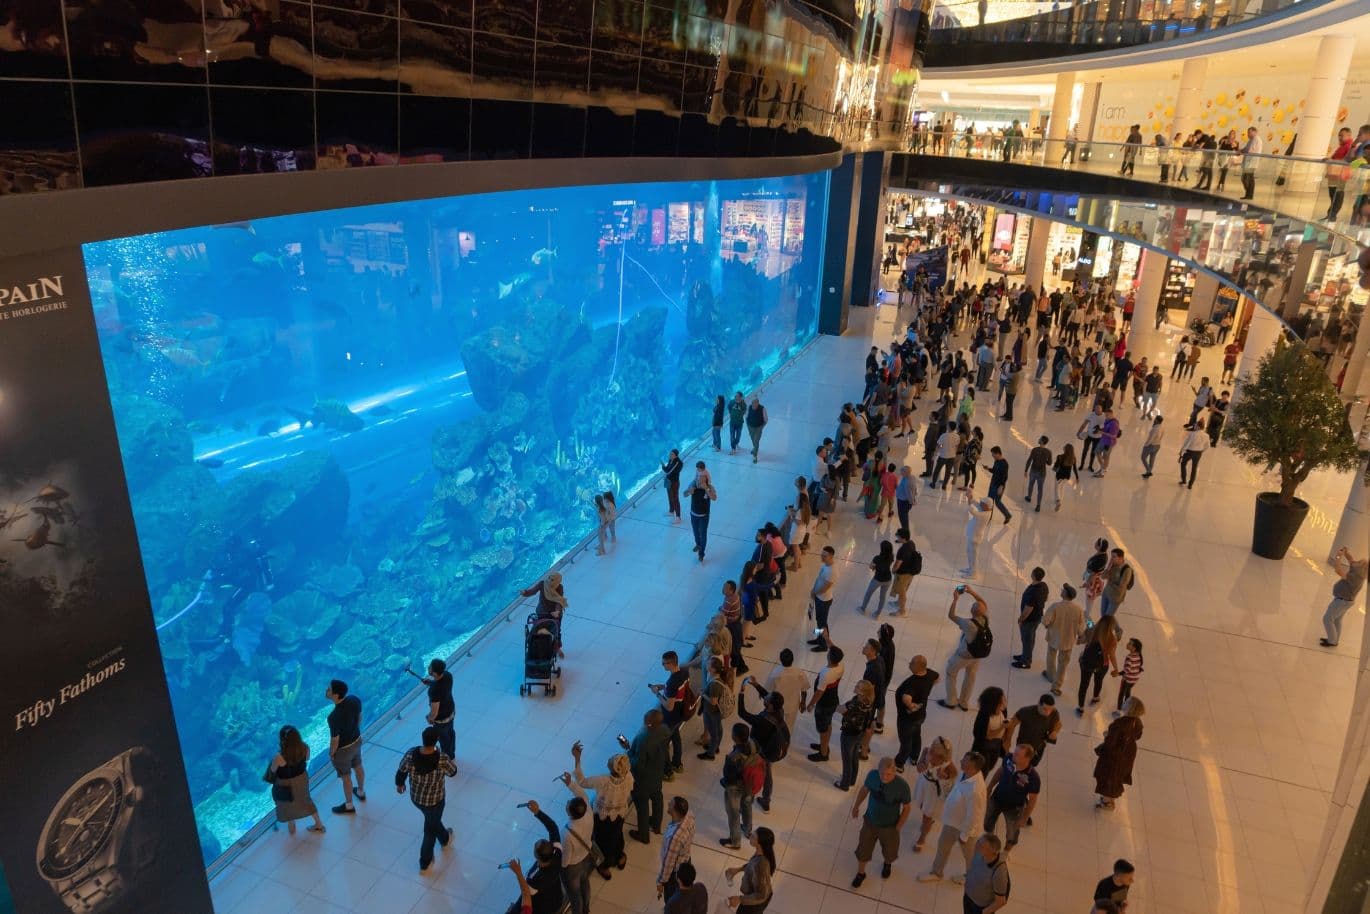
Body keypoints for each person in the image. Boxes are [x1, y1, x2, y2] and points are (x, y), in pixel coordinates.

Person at [917, 751, 987, 883]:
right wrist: (944, 779)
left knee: (969, 856)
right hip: (952, 822)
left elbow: (974, 817)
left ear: (972, 766)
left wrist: (964, 836)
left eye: (964, 760)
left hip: (966, 830)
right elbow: (954, 790)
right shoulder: (965, 774)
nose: (960, 761)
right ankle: (937, 873)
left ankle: (970, 877)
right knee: (943, 846)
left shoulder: (976, 790)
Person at [393, 725, 457, 871]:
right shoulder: (441, 759)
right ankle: (425, 862)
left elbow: (401, 771)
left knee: (432, 820)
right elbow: (453, 772)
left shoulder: (411, 754)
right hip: (436, 800)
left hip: (417, 798)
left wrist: (399, 784)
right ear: (437, 741)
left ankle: (445, 838)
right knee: (429, 830)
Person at [569, 741, 633, 880]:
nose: (610, 759)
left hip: (602, 817)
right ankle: (619, 855)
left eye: (612, 759)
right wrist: (626, 749)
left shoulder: (603, 780)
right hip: (620, 813)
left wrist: (577, 759)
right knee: (617, 833)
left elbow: (582, 781)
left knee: (602, 840)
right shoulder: (628, 776)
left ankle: (605, 864)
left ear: (613, 767)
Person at [850, 757, 912, 888]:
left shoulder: (902, 786)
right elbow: (864, 790)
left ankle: (887, 864)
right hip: (870, 822)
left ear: (894, 772)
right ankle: (861, 873)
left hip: (890, 826)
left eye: (888, 774)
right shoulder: (872, 776)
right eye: (882, 773)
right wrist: (856, 806)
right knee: (863, 849)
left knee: (890, 851)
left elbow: (907, 808)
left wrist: (898, 826)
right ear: (878, 770)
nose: (884, 777)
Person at [738, 677, 789, 812]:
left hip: (764, 751)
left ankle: (748, 799)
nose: (764, 697)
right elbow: (767, 695)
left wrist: (741, 692)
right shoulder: (779, 710)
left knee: (755, 773)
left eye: (767, 699)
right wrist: (756, 685)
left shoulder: (763, 721)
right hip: (774, 747)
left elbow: (742, 713)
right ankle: (766, 800)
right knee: (767, 771)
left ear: (770, 705)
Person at [264, 724, 324, 836]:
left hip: (285, 784)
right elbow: (307, 758)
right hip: (301, 779)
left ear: (283, 740)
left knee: (286, 804)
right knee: (306, 800)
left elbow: (272, 770)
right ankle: (319, 824)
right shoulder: (305, 747)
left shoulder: (279, 757)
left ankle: (292, 827)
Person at [939, 585, 991, 711]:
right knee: (970, 677)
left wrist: (955, 599)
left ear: (972, 611)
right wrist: (971, 592)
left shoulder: (968, 624)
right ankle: (964, 703)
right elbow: (982, 602)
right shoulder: (986, 618)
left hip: (964, 655)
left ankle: (951, 701)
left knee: (951, 673)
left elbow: (951, 615)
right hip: (977, 655)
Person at [509, 800, 566, 914]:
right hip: (556, 898)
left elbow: (525, 893)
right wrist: (538, 812)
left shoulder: (536, 879)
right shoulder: (557, 853)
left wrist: (518, 873)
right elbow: (553, 827)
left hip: (543, 908)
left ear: (537, 856)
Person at [983, 743, 1039, 853]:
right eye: (1015, 752)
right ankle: (990, 843)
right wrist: (989, 788)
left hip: (1014, 808)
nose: (1013, 755)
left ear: (1027, 758)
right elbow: (1001, 771)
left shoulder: (1033, 777)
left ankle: (1006, 852)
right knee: (987, 822)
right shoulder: (1009, 758)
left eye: (1017, 755)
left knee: (1012, 834)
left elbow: (1032, 801)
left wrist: (1024, 817)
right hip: (997, 798)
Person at [625, 709, 670, 844]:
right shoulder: (665, 730)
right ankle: (656, 824)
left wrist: (629, 751)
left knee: (642, 804)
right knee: (657, 797)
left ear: (649, 723)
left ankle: (643, 834)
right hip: (658, 773)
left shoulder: (643, 739)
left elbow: (637, 764)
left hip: (643, 779)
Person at [1094, 698, 1145, 809]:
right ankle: (1110, 800)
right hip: (1128, 753)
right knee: (1117, 777)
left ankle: (1106, 802)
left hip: (1115, 755)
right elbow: (1138, 736)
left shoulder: (1119, 723)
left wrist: (1106, 735)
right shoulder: (1137, 722)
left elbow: (1110, 743)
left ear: (1130, 708)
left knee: (1107, 776)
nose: (1124, 702)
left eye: (1127, 702)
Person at [325, 679, 366, 815]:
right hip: (356, 741)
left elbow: (335, 739)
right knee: (358, 766)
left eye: (329, 689)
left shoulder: (333, 717)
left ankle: (349, 806)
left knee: (346, 777)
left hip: (343, 751)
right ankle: (361, 792)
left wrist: (332, 753)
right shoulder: (354, 700)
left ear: (336, 695)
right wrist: (354, 731)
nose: (326, 691)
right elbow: (359, 717)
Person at [911, 735, 957, 852]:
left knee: (927, 816)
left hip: (933, 793)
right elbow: (919, 768)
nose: (931, 751)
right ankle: (927, 822)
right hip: (923, 785)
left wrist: (945, 776)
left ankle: (922, 838)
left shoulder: (947, 764)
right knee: (923, 808)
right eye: (932, 747)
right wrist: (923, 765)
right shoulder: (926, 751)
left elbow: (954, 775)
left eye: (935, 751)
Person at [893, 655, 938, 771]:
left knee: (906, 742)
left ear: (918, 667)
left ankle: (899, 763)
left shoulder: (912, 683)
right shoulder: (929, 674)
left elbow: (906, 698)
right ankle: (914, 757)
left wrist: (911, 706)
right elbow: (937, 677)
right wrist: (927, 690)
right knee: (916, 735)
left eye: (912, 663)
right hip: (920, 715)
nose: (909, 664)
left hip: (907, 719)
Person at [720, 722, 760, 848]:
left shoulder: (732, 758)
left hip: (735, 788)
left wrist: (724, 782)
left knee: (734, 814)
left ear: (735, 737)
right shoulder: (754, 745)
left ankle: (735, 841)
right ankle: (747, 830)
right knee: (747, 806)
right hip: (750, 785)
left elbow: (728, 778)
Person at [651, 651, 692, 776]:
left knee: (663, 745)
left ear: (670, 663)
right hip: (680, 714)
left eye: (664, 663)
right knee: (676, 738)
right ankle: (677, 764)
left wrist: (657, 694)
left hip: (670, 718)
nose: (662, 665)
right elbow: (678, 690)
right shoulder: (684, 672)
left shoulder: (672, 682)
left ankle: (668, 772)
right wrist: (663, 687)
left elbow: (669, 706)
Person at [1041, 583, 1086, 696]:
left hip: (1054, 638)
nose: (1061, 590)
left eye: (1063, 590)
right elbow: (1081, 627)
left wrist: (1047, 625)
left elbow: (1045, 620)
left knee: (1051, 657)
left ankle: (1050, 675)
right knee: (1063, 664)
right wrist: (1080, 636)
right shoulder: (1078, 609)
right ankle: (1056, 686)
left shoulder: (1055, 606)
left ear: (1065, 594)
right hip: (1068, 640)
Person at [1320, 547, 1368, 647]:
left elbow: (1338, 569)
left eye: (1359, 562)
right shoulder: (1359, 572)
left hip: (1342, 601)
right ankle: (1334, 640)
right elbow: (1351, 560)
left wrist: (1338, 556)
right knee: (1337, 619)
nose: (1356, 561)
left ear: (1360, 568)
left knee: (1327, 619)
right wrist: (1346, 552)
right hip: (1346, 601)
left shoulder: (1355, 577)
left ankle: (1332, 641)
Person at [834, 678, 876, 790]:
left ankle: (844, 784)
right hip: (859, 733)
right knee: (854, 756)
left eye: (858, 686)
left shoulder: (855, 704)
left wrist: (834, 705)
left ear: (862, 692)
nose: (855, 686)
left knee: (847, 758)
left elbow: (840, 709)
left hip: (849, 734)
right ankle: (852, 779)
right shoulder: (868, 702)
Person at [806, 645, 845, 761]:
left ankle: (823, 754)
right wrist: (827, 640)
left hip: (824, 705)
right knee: (827, 724)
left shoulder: (826, 674)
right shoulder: (841, 666)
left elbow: (819, 692)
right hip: (833, 700)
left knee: (822, 730)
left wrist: (811, 704)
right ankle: (824, 746)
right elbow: (834, 649)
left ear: (829, 657)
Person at [1076, 614, 1121, 714]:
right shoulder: (1112, 639)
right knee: (1098, 681)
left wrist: (1087, 618)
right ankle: (1095, 697)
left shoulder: (1091, 629)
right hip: (1102, 664)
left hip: (1087, 662)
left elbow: (1081, 639)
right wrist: (1116, 668)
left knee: (1083, 685)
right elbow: (1112, 655)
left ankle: (1081, 707)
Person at [724, 828, 776, 912]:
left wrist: (740, 899)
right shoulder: (761, 853)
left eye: (753, 836)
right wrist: (738, 870)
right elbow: (752, 866)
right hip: (754, 897)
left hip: (755, 902)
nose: (750, 836)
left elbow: (761, 895)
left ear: (759, 843)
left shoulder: (761, 864)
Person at [1004, 693, 1062, 768]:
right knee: (1017, 764)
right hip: (1023, 746)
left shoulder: (1054, 712)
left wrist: (1055, 732)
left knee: (1032, 764)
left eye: (1050, 710)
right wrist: (1008, 740)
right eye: (1045, 709)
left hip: (1038, 747)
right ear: (1038, 704)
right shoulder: (1026, 711)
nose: (1048, 713)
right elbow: (1012, 724)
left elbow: (1058, 724)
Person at [656, 797, 695, 904]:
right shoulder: (689, 816)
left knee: (671, 899)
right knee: (683, 893)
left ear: (676, 812)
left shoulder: (675, 838)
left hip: (675, 873)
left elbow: (668, 864)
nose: (668, 803)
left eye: (671, 804)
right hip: (686, 859)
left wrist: (660, 882)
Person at [1012, 567, 1049, 669]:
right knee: (1030, 639)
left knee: (1027, 640)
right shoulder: (1044, 585)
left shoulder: (1033, 592)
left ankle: (1025, 662)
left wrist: (1021, 619)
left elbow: (1028, 608)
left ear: (1033, 575)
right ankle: (1025, 655)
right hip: (1037, 617)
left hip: (1029, 620)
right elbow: (1045, 598)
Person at [962, 834, 1010, 913]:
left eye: (981, 845)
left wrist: (984, 912)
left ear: (992, 852)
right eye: (978, 841)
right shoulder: (978, 853)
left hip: (980, 907)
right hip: (968, 898)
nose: (977, 845)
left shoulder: (999, 872)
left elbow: (1001, 901)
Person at [764, 648, 808, 733]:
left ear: (781, 660)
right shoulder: (800, 673)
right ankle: (786, 739)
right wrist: (803, 703)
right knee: (789, 726)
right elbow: (804, 690)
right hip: (793, 705)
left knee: (775, 725)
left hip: (777, 706)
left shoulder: (775, 673)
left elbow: (768, 690)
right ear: (793, 659)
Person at [419, 658, 455, 760]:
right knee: (450, 733)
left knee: (444, 739)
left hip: (442, 719)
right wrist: (431, 683)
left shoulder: (434, 691)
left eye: (430, 667)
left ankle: (447, 759)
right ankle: (452, 753)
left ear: (434, 673)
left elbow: (434, 711)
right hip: (451, 710)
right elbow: (441, 684)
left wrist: (429, 718)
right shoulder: (448, 675)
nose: (428, 668)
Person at [683, 462, 717, 562]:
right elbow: (684, 494)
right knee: (696, 532)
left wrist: (706, 488)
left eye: (702, 479)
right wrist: (689, 491)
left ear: (706, 479)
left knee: (703, 533)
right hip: (694, 514)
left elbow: (714, 498)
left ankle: (701, 553)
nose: (699, 480)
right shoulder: (693, 484)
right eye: (698, 478)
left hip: (704, 516)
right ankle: (698, 544)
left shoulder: (710, 487)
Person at [808, 546, 838, 652]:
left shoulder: (832, 571)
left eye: (824, 556)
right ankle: (819, 639)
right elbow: (819, 578)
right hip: (819, 598)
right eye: (822, 555)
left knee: (823, 624)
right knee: (819, 621)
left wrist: (814, 593)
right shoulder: (825, 565)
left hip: (824, 600)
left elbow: (825, 588)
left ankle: (824, 645)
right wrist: (813, 590)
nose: (822, 557)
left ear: (831, 556)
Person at [857, 540, 895, 617]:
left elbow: (871, 567)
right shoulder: (891, 556)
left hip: (877, 579)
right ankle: (877, 614)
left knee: (868, 594)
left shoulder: (877, 558)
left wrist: (875, 567)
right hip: (888, 579)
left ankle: (862, 608)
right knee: (882, 597)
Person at [889, 528, 920, 616]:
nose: (896, 537)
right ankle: (898, 603)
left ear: (903, 538)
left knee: (902, 593)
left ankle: (902, 611)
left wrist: (893, 570)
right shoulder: (911, 543)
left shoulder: (902, 550)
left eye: (898, 536)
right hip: (910, 572)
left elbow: (897, 564)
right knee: (903, 589)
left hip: (903, 574)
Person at [961, 497, 993, 577]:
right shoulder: (985, 509)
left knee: (973, 556)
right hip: (972, 536)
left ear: (986, 506)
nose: (980, 504)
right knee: (969, 553)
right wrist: (971, 497)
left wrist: (969, 502)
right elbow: (977, 504)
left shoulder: (985, 515)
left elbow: (972, 511)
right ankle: (970, 568)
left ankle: (973, 573)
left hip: (975, 538)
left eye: (982, 503)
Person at [1113, 639, 1144, 716]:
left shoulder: (1129, 657)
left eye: (1130, 644)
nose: (1127, 644)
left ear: (1134, 648)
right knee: (1127, 692)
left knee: (1121, 694)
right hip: (1134, 679)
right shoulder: (1138, 655)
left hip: (1127, 679)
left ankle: (1119, 711)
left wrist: (1118, 674)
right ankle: (1128, 708)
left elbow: (1127, 670)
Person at [1100, 548, 1134, 617]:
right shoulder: (1112, 566)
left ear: (1121, 558)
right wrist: (1108, 568)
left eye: (1114, 556)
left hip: (1115, 598)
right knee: (1103, 616)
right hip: (1106, 594)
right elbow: (1103, 577)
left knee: (1107, 618)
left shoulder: (1127, 570)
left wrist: (1110, 581)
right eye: (1111, 556)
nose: (1111, 559)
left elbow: (1121, 586)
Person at [983, 446, 1011, 524]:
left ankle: (1007, 515)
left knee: (997, 502)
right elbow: (995, 471)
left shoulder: (1004, 464)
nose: (992, 456)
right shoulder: (996, 461)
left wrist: (1001, 486)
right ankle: (988, 517)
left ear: (998, 453)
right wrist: (988, 468)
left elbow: (1005, 477)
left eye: (993, 454)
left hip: (999, 486)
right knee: (990, 501)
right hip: (993, 483)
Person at [1178, 421, 1209, 489]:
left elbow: (1186, 443)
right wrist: (1202, 450)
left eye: (1195, 425)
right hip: (1198, 453)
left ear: (1198, 426)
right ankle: (1190, 485)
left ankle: (1184, 480)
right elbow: (1207, 446)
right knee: (1194, 468)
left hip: (1190, 451)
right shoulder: (1206, 435)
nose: (1194, 426)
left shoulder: (1192, 434)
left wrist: (1181, 451)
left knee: (1183, 464)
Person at [1024, 436, 1051, 512]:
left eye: (1040, 439)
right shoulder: (1048, 452)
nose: (1038, 439)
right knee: (1040, 489)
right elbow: (1049, 463)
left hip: (1033, 470)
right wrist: (1044, 460)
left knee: (1031, 484)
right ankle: (1038, 505)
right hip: (1042, 472)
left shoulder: (1034, 450)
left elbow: (1029, 460)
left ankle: (1029, 497)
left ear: (1042, 441)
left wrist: (1026, 470)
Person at [1052, 442, 1078, 511]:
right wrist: (1077, 477)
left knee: (1057, 488)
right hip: (1067, 476)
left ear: (1065, 449)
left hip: (1059, 475)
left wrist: (1054, 467)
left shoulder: (1060, 457)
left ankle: (1058, 501)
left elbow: (1055, 467)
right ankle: (1060, 500)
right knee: (1062, 487)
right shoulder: (1073, 458)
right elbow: (1075, 468)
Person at [1239, 126, 1263, 200]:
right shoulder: (1251, 140)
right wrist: (1241, 150)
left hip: (1251, 162)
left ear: (1255, 132)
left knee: (1246, 178)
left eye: (1249, 132)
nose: (1248, 134)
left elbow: (1249, 150)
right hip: (1249, 162)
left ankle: (1249, 194)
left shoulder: (1256, 139)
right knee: (1247, 178)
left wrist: (1242, 151)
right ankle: (1249, 194)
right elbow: (1246, 148)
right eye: (1248, 133)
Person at [662, 449, 683, 523]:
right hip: (668, 481)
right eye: (670, 454)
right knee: (670, 496)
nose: (670, 455)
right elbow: (667, 469)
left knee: (675, 498)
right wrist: (664, 466)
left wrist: (664, 467)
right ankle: (671, 511)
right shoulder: (671, 460)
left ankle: (678, 517)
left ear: (676, 455)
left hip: (674, 482)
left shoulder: (678, 463)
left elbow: (669, 471)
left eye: (672, 454)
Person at [745, 395, 768, 462]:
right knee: (753, 440)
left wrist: (761, 427)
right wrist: (748, 427)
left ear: (758, 402)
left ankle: (755, 456)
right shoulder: (749, 407)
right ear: (751, 403)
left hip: (759, 427)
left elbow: (766, 420)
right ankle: (754, 448)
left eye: (756, 402)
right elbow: (746, 417)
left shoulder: (762, 408)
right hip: (750, 427)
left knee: (756, 441)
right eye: (753, 402)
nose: (754, 404)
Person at [894, 465, 917, 533]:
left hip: (903, 502)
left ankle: (905, 532)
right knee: (903, 516)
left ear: (906, 472)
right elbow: (915, 488)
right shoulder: (911, 477)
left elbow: (909, 494)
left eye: (902, 471)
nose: (900, 472)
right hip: (903, 500)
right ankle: (904, 530)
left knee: (903, 517)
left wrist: (912, 502)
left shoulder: (907, 482)